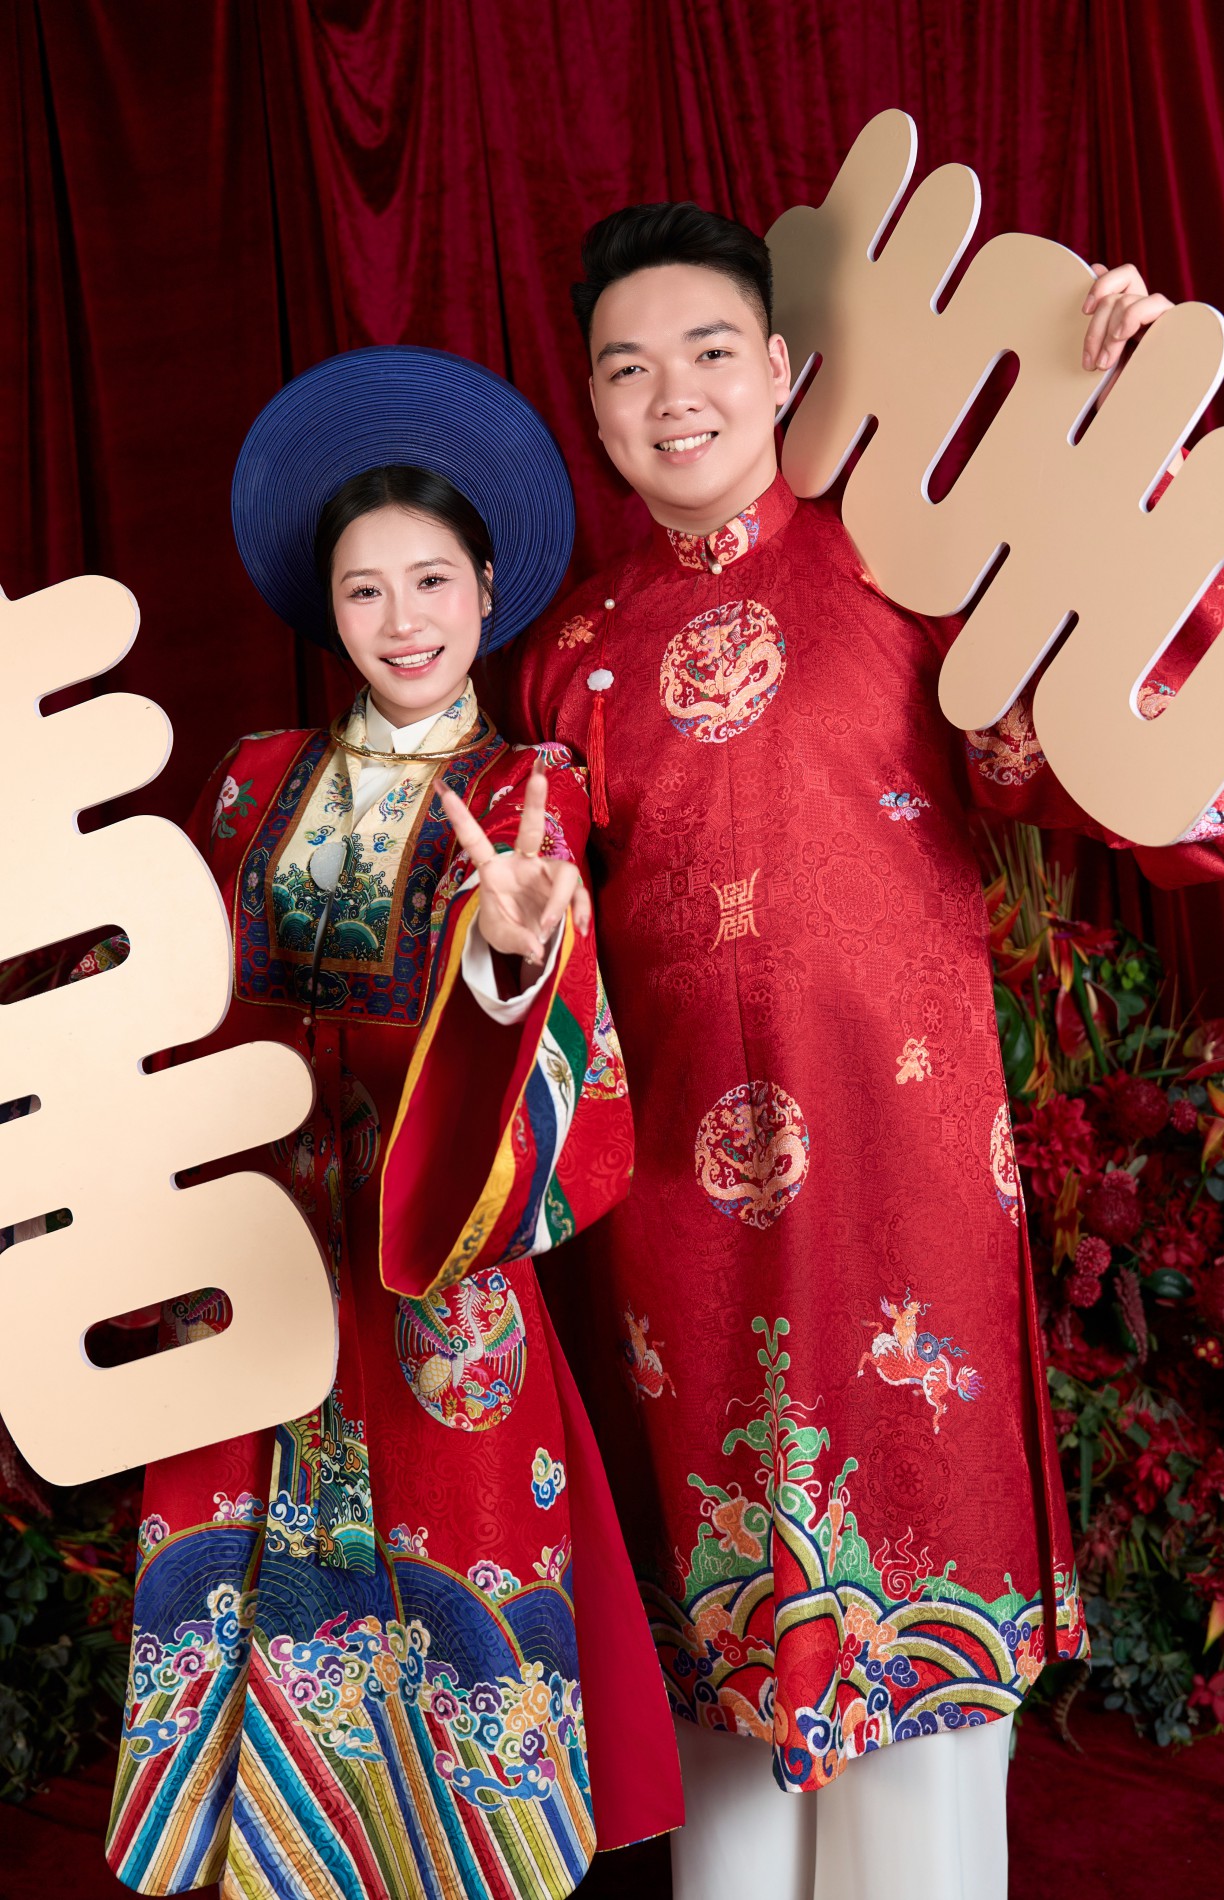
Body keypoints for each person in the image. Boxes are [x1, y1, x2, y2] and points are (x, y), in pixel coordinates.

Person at [503, 207, 1224, 1900]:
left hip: (907, 1216)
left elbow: (1174, 792)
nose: (674, 395)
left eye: (711, 351)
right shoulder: (569, 659)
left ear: (782, 367)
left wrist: (1126, 444)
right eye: (628, 369)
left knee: (919, 1776)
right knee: (724, 1767)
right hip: (678, 1261)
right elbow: (538, 994)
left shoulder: (904, 572)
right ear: (594, 406)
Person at [99, 346, 682, 1900]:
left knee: (456, 1580)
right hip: (264, 1245)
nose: (404, 620)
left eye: (432, 582)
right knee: (243, 1558)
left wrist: (510, 958)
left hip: (436, 1247)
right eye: (367, 591)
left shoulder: (534, 793)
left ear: (487, 589)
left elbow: (555, 1033)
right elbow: (184, 1005)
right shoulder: (253, 782)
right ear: (330, 609)